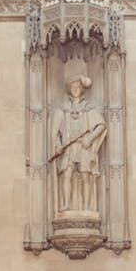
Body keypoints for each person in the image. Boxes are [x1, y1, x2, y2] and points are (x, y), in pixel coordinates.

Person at [50, 75, 108, 213]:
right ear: (69, 90)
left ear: (82, 89)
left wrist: (90, 138)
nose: (75, 90)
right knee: (66, 174)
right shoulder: (64, 109)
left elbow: (101, 125)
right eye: (73, 87)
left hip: (83, 147)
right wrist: (58, 145)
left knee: (85, 175)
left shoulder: (88, 107)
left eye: (78, 87)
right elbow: (56, 132)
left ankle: (87, 207)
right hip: (69, 148)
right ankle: (66, 204)